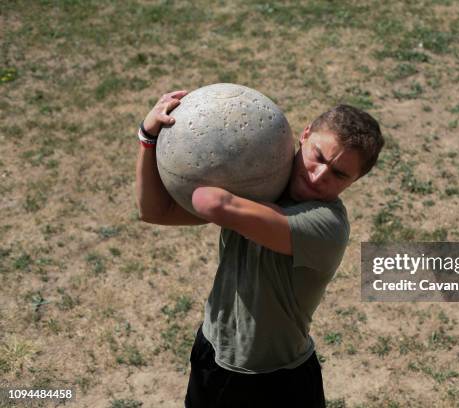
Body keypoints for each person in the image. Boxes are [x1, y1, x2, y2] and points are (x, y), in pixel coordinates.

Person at [136, 89, 384, 407]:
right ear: (304, 135)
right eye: (318, 157)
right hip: (212, 349)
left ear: (353, 182)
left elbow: (211, 202)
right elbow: (154, 212)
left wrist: (230, 162)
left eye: (338, 174)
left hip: (278, 381)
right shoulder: (260, 184)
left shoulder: (326, 226)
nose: (319, 175)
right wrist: (148, 137)